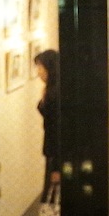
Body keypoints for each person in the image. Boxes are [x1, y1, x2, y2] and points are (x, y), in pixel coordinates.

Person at [34, 49, 60, 197]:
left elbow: (56, 130)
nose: (38, 73)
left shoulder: (54, 94)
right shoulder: (52, 91)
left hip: (55, 153)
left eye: (40, 68)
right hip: (54, 151)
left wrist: (56, 166)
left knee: (52, 194)